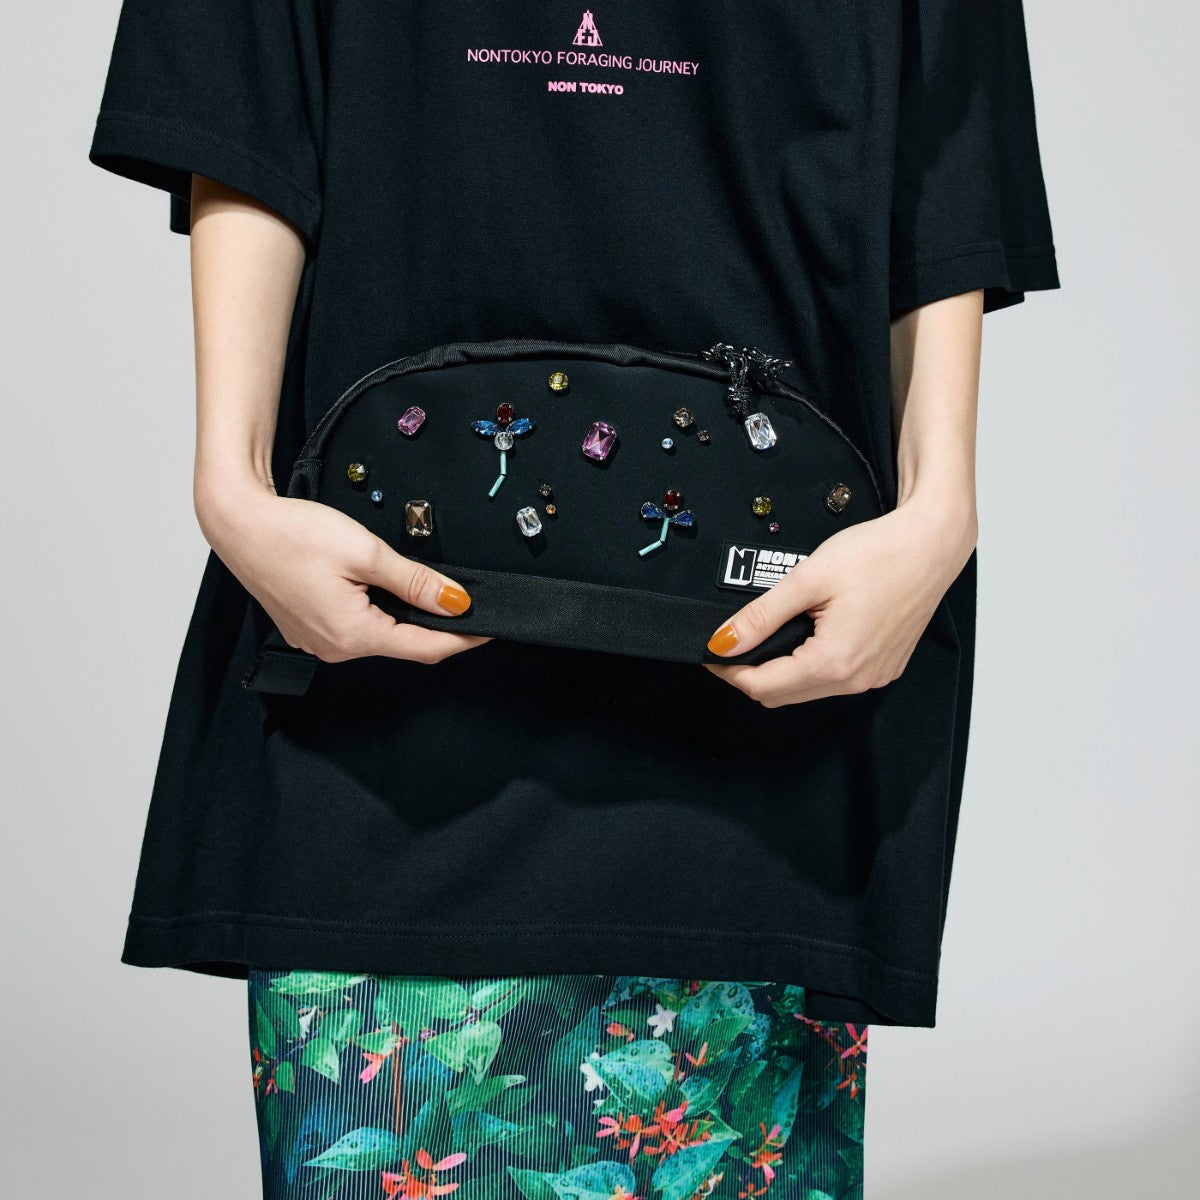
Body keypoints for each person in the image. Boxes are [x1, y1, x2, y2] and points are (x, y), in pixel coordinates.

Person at [87, 2, 1058, 1196]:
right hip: (379, 662)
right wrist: (231, 489)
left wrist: (941, 507)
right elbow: (237, 77)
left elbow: (944, 123)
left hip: (756, 698)